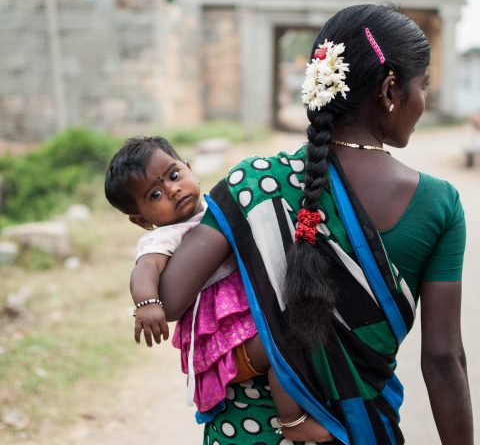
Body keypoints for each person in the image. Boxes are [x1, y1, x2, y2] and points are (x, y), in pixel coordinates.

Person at [148, 4, 474, 444]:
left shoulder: (253, 184)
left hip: (249, 433)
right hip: (362, 431)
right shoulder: (439, 204)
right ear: (391, 90)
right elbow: (442, 359)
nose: (424, 100)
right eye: (424, 85)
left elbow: (167, 301)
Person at [104, 136, 333, 442]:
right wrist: (147, 303)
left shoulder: (223, 206)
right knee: (283, 339)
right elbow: (144, 269)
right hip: (222, 339)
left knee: (295, 334)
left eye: (174, 175)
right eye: (155, 194)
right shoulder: (167, 236)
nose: (172, 189)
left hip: (248, 322)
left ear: (189, 169)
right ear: (142, 220)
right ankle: (292, 420)